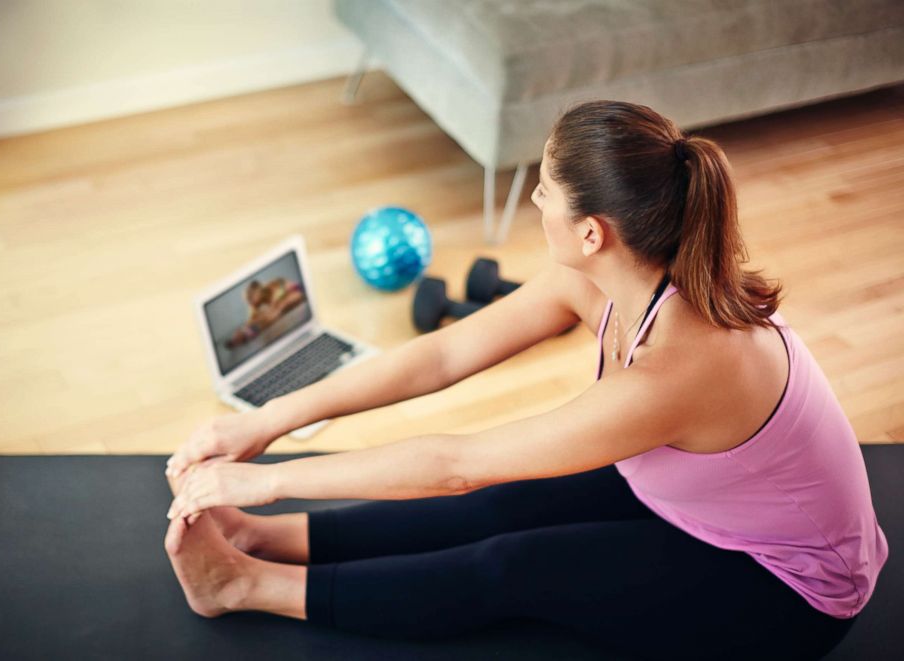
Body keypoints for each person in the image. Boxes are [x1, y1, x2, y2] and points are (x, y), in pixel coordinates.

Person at [162, 100, 889, 660]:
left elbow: (456, 466)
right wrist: (266, 422)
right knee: (509, 504)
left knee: (514, 564)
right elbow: (442, 357)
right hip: (705, 499)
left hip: (785, 594)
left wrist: (272, 476)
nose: (536, 202)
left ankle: (244, 583)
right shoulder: (610, 277)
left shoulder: (680, 364)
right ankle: (264, 537)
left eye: (544, 190)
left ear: (592, 230)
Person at [225, 278, 306, 348]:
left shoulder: (273, 285)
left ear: (258, 291)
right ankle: (242, 336)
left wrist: (279, 301)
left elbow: (290, 286)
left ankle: (246, 333)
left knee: (278, 307)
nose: (249, 302)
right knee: (268, 314)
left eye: (250, 298)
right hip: (288, 304)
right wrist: (245, 330)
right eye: (248, 299)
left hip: (298, 292)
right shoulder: (255, 308)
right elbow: (252, 320)